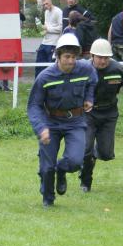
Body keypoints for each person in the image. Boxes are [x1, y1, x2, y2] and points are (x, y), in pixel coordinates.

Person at [27, 33, 97, 207]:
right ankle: (48, 199)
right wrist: (41, 128)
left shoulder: (85, 69)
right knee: (47, 167)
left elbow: (93, 80)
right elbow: (34, 106)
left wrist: (89, 98)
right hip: (50, 122)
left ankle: (61, 169)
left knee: (75, 161)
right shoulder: (45, 77)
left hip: (76, 121)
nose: (71, 61)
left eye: (74, 57)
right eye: (67, 57)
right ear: (57, 56)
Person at [79, 39, 123, 192]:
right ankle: (86, 181)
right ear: (92, 56)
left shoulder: (117, 68)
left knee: (106, 154)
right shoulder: (82, 69)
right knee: (86, 149)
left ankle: (94, 156)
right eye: (100, 57)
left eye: (106, 58)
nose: (103, 61)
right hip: (88, 113)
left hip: (109, 114)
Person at [35, 0, 63, 78]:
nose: (45, 6)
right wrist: (42, 30)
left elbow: (60, 28)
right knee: (39, 66)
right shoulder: (46, 12)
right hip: (44, 42)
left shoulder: (58, 11)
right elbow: (46, 26)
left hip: (53, 43)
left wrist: (47, 29)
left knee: (51, 67)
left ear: (51, 1)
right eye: (44, 4)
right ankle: (38, 82)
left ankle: (51, 83)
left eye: (47, 3)